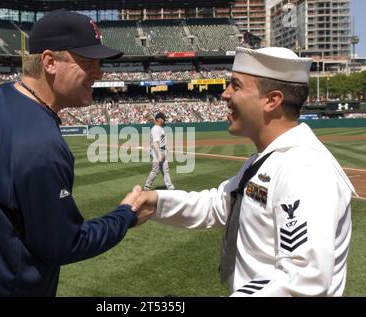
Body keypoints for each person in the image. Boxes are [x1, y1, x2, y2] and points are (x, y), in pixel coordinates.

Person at [0, 9, 151, 297]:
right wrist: (124, 215)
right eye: (88, 61)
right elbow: (63, 245)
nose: (99, 72)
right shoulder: (41, 143)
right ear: (50, 62)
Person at [132, 47, 357, 296]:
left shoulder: (304, 170)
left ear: (272, 100)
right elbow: (219, 205)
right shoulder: (266, 159)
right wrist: (155, 202)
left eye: (236, 86)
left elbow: (303, 279)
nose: (225, 94)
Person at [143, 112, 175, 191]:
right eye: (163, 119)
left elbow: (162, 142)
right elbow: (155, 143)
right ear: (159, 119)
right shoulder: (156, 129)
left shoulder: (160, 128)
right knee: (155, 170)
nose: (165, 121)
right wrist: (160, 154)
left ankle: (170, 187)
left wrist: (166, 150)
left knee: (165, 170)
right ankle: (146, 187)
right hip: (157, 153)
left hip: (162, 152)